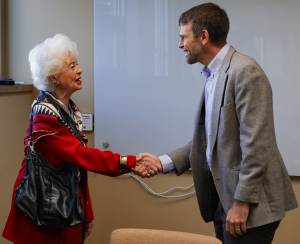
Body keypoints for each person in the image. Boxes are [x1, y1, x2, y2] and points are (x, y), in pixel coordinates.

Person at [135, 3, 298, 244]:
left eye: (183, 37)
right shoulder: (214, 75)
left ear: (203, 36)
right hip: (226, 198)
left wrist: (242, 203)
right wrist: (163, 162)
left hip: (250, 204)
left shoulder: (245, 71)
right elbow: (208, 142)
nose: (179, 45)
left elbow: (257, 145)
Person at [2, 34, 158, 244]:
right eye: (71, 65)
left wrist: (86, 211)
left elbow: (75, 170)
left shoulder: (68, 109)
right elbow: (80, 156)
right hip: (43, 215)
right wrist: (129, 162)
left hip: (66, 208)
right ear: (53, 77)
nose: (79, 70)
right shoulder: (44, 115)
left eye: (77, 64)